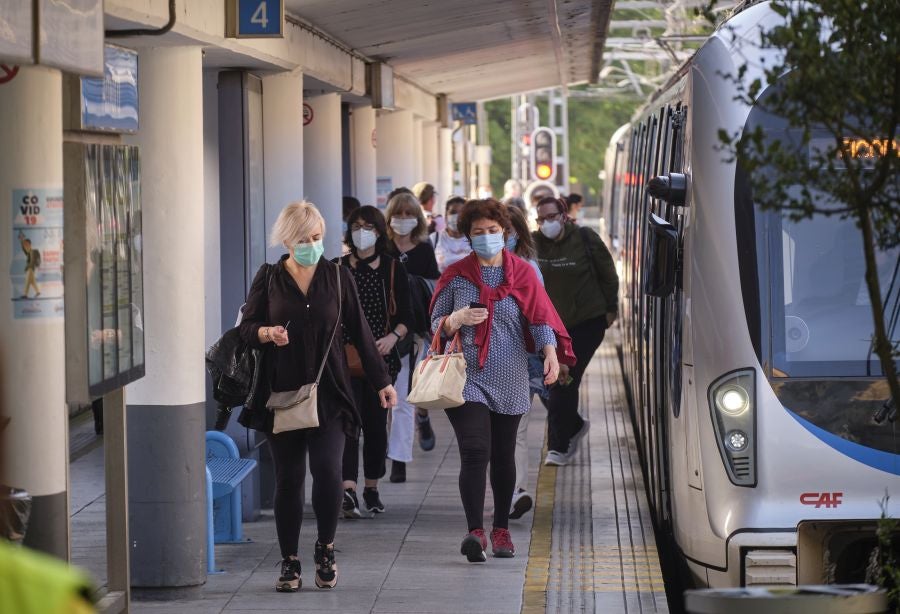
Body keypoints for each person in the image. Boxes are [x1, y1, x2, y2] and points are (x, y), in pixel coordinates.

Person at [240, 201, 398, 591]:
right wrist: (267, 333)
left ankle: (325, 548)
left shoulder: (338, 277)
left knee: (328, 472)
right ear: (286, 239)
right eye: (302, 239)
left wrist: (383, 383)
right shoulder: (270, 277)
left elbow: (360, 332)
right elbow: (247, 327)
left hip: (331, 391)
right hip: (283, 392)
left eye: (316, 238)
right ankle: (290, 560)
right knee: (288, 479)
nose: (311, 245)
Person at [430, 198, 575, 562]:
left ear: (505, 232)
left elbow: (540, 318)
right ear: (468, 236)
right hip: (467, 375)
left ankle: (501, 529)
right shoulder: (456, 273)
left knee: (503, 453)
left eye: (492, 231)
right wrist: (456, 319)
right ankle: (474, 531)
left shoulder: (522, 273)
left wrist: (551, 353)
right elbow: (435, 325)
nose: (486, 238)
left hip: (511, 375)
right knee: (475, 449)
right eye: (478, 233)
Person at [532, 196, 619, 466]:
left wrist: (610, 309)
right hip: (550, 327)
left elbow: (608, 274)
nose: (547, 223)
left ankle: (558, 446)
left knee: (563, 379)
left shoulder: (584, 238)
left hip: (585, 322)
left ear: (564, 216)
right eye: (541, 218)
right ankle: (576, 424)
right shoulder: (533, 243)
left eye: (552, 217)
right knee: (552, 380)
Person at [339, 206, 413, 516]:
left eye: (368, 226)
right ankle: (348, 490)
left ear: (380, 232)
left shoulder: (393, 269)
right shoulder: (337, 267)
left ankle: (371, 487)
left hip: (380, 360)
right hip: (342, 358)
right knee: (345, 425)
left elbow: (407, 316)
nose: (361, 232)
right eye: (356, 226)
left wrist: (392, 338)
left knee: (375, 425)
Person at [384, 192, 441, 481]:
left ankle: (399, 459)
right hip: (378, 333)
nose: (403, 220)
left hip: (411, 334)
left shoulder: (423, 249)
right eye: (399, 213)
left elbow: (434, 286)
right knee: (380, 398)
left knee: (403, 398)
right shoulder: (380, 247)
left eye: (409, 214)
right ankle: (385, 449)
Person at [504, 206, 545, 520]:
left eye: (506, 229)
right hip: (486, 361)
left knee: (518, 429)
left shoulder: (529, 267)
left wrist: (550, 352)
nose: (501, 237)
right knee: (495, 433)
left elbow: (541, 312)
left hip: (524, 359)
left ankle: (517, 491)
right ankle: (506, 487)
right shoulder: (473, 268)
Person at [430, 196, 471, 272]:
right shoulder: (434, 238)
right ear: (446, 216)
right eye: (453, 212)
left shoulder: (474, 239)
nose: (457, 217)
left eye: (461, 213)